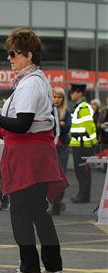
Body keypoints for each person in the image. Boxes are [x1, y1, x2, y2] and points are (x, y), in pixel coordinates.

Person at [0, 28, 66, 273]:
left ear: (28, 55)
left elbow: (23, 124)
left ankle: (29, 270)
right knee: (38, 212)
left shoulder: (30, 83)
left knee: (21, 212)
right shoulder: (37, 80)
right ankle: (52, 265)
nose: (9, 58)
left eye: (13, 54)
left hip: (28, 154)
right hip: (37, 153)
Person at [69, 83, 97, 203]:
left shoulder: (83, 107)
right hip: (79, 144)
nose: (71, 94)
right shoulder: (79, 107)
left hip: (82, 145)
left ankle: (83, 195)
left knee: (83, 172)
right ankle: (83, 194)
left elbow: (90, 126)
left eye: (72, 92)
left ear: (79, 92)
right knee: (80, 171)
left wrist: (93, 143)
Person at [50, 87, 72, 215]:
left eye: (59, 97)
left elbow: (67, 127)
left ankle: (58, 201)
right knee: (52, 176)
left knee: (60, 174)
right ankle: (55, 202)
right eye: (55, 97)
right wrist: (59, 123)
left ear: (63, 99)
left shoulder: (66, 111)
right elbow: (51, 128)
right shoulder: (48, 110)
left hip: (62, 147)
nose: (57, 99)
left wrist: (60, 125)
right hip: (50, 147)